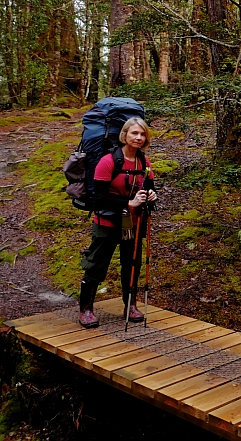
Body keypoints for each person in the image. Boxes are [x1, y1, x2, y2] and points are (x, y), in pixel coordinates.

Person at [78, 117, 158, 328]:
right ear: (124, 135)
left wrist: (151, 195)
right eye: (134, 133)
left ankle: (130, 305)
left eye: (142, 134)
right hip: (107, 222)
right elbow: (99, 197)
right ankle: (86, 309)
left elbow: (150, 186)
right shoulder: (108, 161)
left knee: (131, 265)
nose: (138, 138)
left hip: (132, 224)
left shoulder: (144, 162)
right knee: (96, 264)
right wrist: (129, 202)